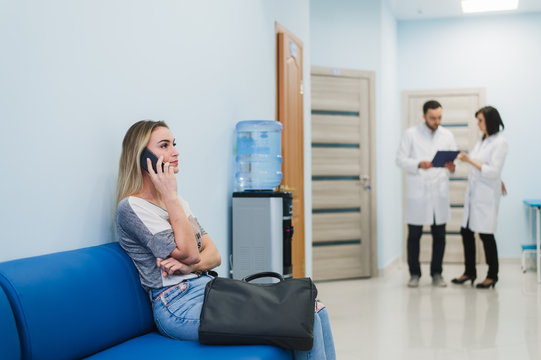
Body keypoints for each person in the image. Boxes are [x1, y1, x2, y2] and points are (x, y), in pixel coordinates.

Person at [115, 120, 336, 359]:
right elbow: (191, 251)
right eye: (164, 145)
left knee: (314, 309)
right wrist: (170, 196)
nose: (175, 151)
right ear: (143, 156)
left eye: (174, 144)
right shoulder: (132, 207)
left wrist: (191, 265)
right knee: (302, 317)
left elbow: (214, 255)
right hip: (176, 305)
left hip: (209, 289)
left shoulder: (179, 204)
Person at [396, 100, 457, 288]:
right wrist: (418, 164)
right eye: (433, 118)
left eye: (439, 117)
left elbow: (454, 165)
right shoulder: (410, 134)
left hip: (438, 191)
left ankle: (437, 273)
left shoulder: (447, 135)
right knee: (414, 236)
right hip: (418, 191)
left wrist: (451, 167)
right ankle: (414, 274)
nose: (437, 121)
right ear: (424, 116)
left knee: (440, 236)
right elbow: (400, 160)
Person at [451, 106, 508, 289]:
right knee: (466, 232)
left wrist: (469, 161)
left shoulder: (500, 142)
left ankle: (492, 275)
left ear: (490, 121)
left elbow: (492, 171)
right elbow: (487, 166)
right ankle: (469, 272)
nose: (478, 124)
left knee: (486, 235)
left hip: (486, 196)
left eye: (480, 120)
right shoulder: (482, 140)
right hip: (474, 194)